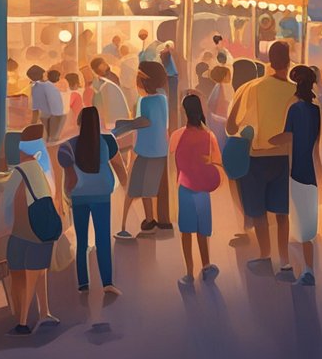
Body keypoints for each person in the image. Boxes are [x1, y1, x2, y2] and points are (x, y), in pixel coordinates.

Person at [225, 40, 298, 279]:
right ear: (289, 62)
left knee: (258, 212)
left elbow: (232, 126)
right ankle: (285, 261)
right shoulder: (295, 92)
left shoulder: (252, 88)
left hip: (256, 157)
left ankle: (265, 255)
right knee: (282, 213)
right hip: (283, 158)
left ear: (269, 60)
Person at [58, 106, 126, 294]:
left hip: (79, 196)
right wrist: (126, 187)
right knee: (103, 238)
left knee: (81, 240)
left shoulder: (67, 146)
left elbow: (69, 179)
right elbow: (120, 167)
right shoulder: (108, 141)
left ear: (79, 123)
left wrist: (67, 197)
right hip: (102, 195)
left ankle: (83, 284)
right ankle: (107, 283)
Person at [1, 125, 59, 335]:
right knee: (38, 273)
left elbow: (6, 204)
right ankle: (44, 313)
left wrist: (2, 227)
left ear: (22, 149)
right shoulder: (43, 170)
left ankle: (22, 322)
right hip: (41, 231)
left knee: (20, 276)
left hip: (21, 233)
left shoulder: (18, 172)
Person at [269, 65, 322, 286]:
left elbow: (287, 136)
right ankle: (308, 269)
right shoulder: (316, 111)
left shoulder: (294, 109)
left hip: (293, 169)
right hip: (310, 170)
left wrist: (268, 141)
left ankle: (297, 268)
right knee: (306, 225)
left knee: (292, 221)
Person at [170, 93, 222, 285]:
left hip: (185, 187)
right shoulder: (209, 136)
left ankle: (189, 272)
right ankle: (206, 265)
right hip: (203, 190)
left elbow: (174, 157)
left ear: (184, 112)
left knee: (186, 231)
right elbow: (216, 162)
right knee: (202, 229)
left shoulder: (177, 135)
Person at [117, 61, 169, 239]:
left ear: (145, 81)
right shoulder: (162, 98)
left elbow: (146, 121)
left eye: (138, 78)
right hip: (156, 149)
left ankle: (148, 221)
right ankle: (147, 220)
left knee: (142, 187)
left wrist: (124, 126)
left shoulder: (146, 101)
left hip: (149, 150)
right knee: (144, 187)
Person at [89, 58, 130, 131]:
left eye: (104, 64)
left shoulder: (112, 76)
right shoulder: (97, 83)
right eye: (101, 66)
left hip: (116, 110)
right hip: (108, 114)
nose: (104, 66)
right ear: (96, 70)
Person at [28, 65, 66, 143]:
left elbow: (35, 108)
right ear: (42, 74)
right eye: (45, 73)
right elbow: (55, 104)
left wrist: (33, 124)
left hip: (44, 117)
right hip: (55, 116)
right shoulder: (48, 86)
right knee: (53, 141)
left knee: (46, 140)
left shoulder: (34, 87)